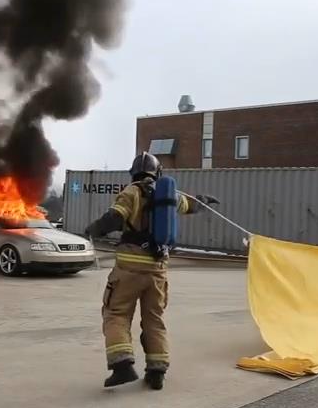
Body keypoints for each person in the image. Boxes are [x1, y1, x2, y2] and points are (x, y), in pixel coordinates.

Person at [84, 152, 218, 390]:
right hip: (158, 270)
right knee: (154, 319)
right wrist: (204, 200)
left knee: (116, 313)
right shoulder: (170, 195)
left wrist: (94, 228)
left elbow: (115, 218)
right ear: (158, 173)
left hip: (129, 267)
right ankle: (157, 372)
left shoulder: (131, 192)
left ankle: (122, 366)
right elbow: (191, 205)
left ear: (133, 173)